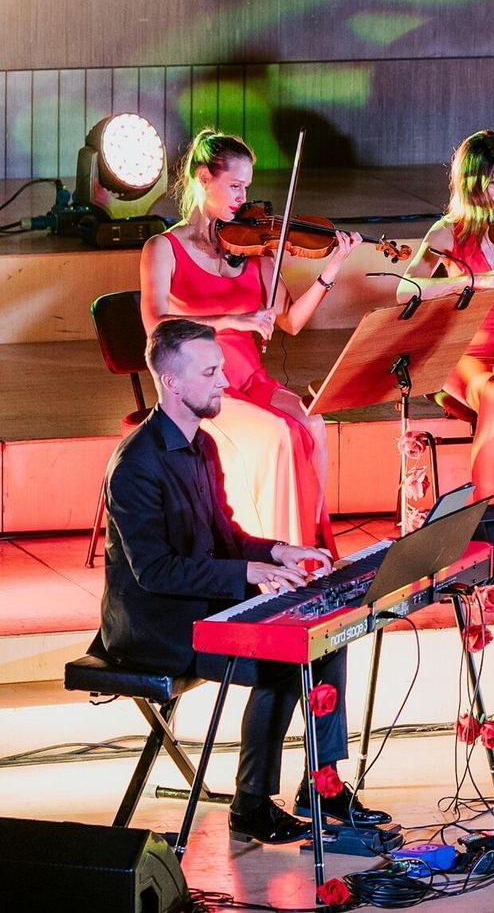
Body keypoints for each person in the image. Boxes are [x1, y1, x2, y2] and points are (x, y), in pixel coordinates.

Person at [91, 319, 388, 844]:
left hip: (199, 599)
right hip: (153, 625)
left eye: (221, 370)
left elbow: (225, 536)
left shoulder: (203, 445)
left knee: (324, 634)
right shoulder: (135, 465)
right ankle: (250, 804)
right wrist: (248, 572)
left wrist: (277, 550)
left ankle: (321, 784)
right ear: (171, 382)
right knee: (282, 657)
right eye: (210, 373)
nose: (225, 382)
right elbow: (154, 571)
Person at [140, 129, 358, 548]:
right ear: (204, 178)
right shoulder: (162, 247)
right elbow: (156, 324)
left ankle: (310, 545)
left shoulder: (256, 248)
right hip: (202, 386)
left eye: (247, 188)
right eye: (235, 186)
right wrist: (235, 319)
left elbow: (290, 321)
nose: (243, 198)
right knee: (279, 435)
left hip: (251, 378)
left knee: (313, 424)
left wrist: (331, 270)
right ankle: (278, 555)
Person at [400, 130, 494, 503]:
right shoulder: (448, 232)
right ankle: (488, 507)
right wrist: (472, 281)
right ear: (472, 184)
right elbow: (406, 289)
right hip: (467, 353)